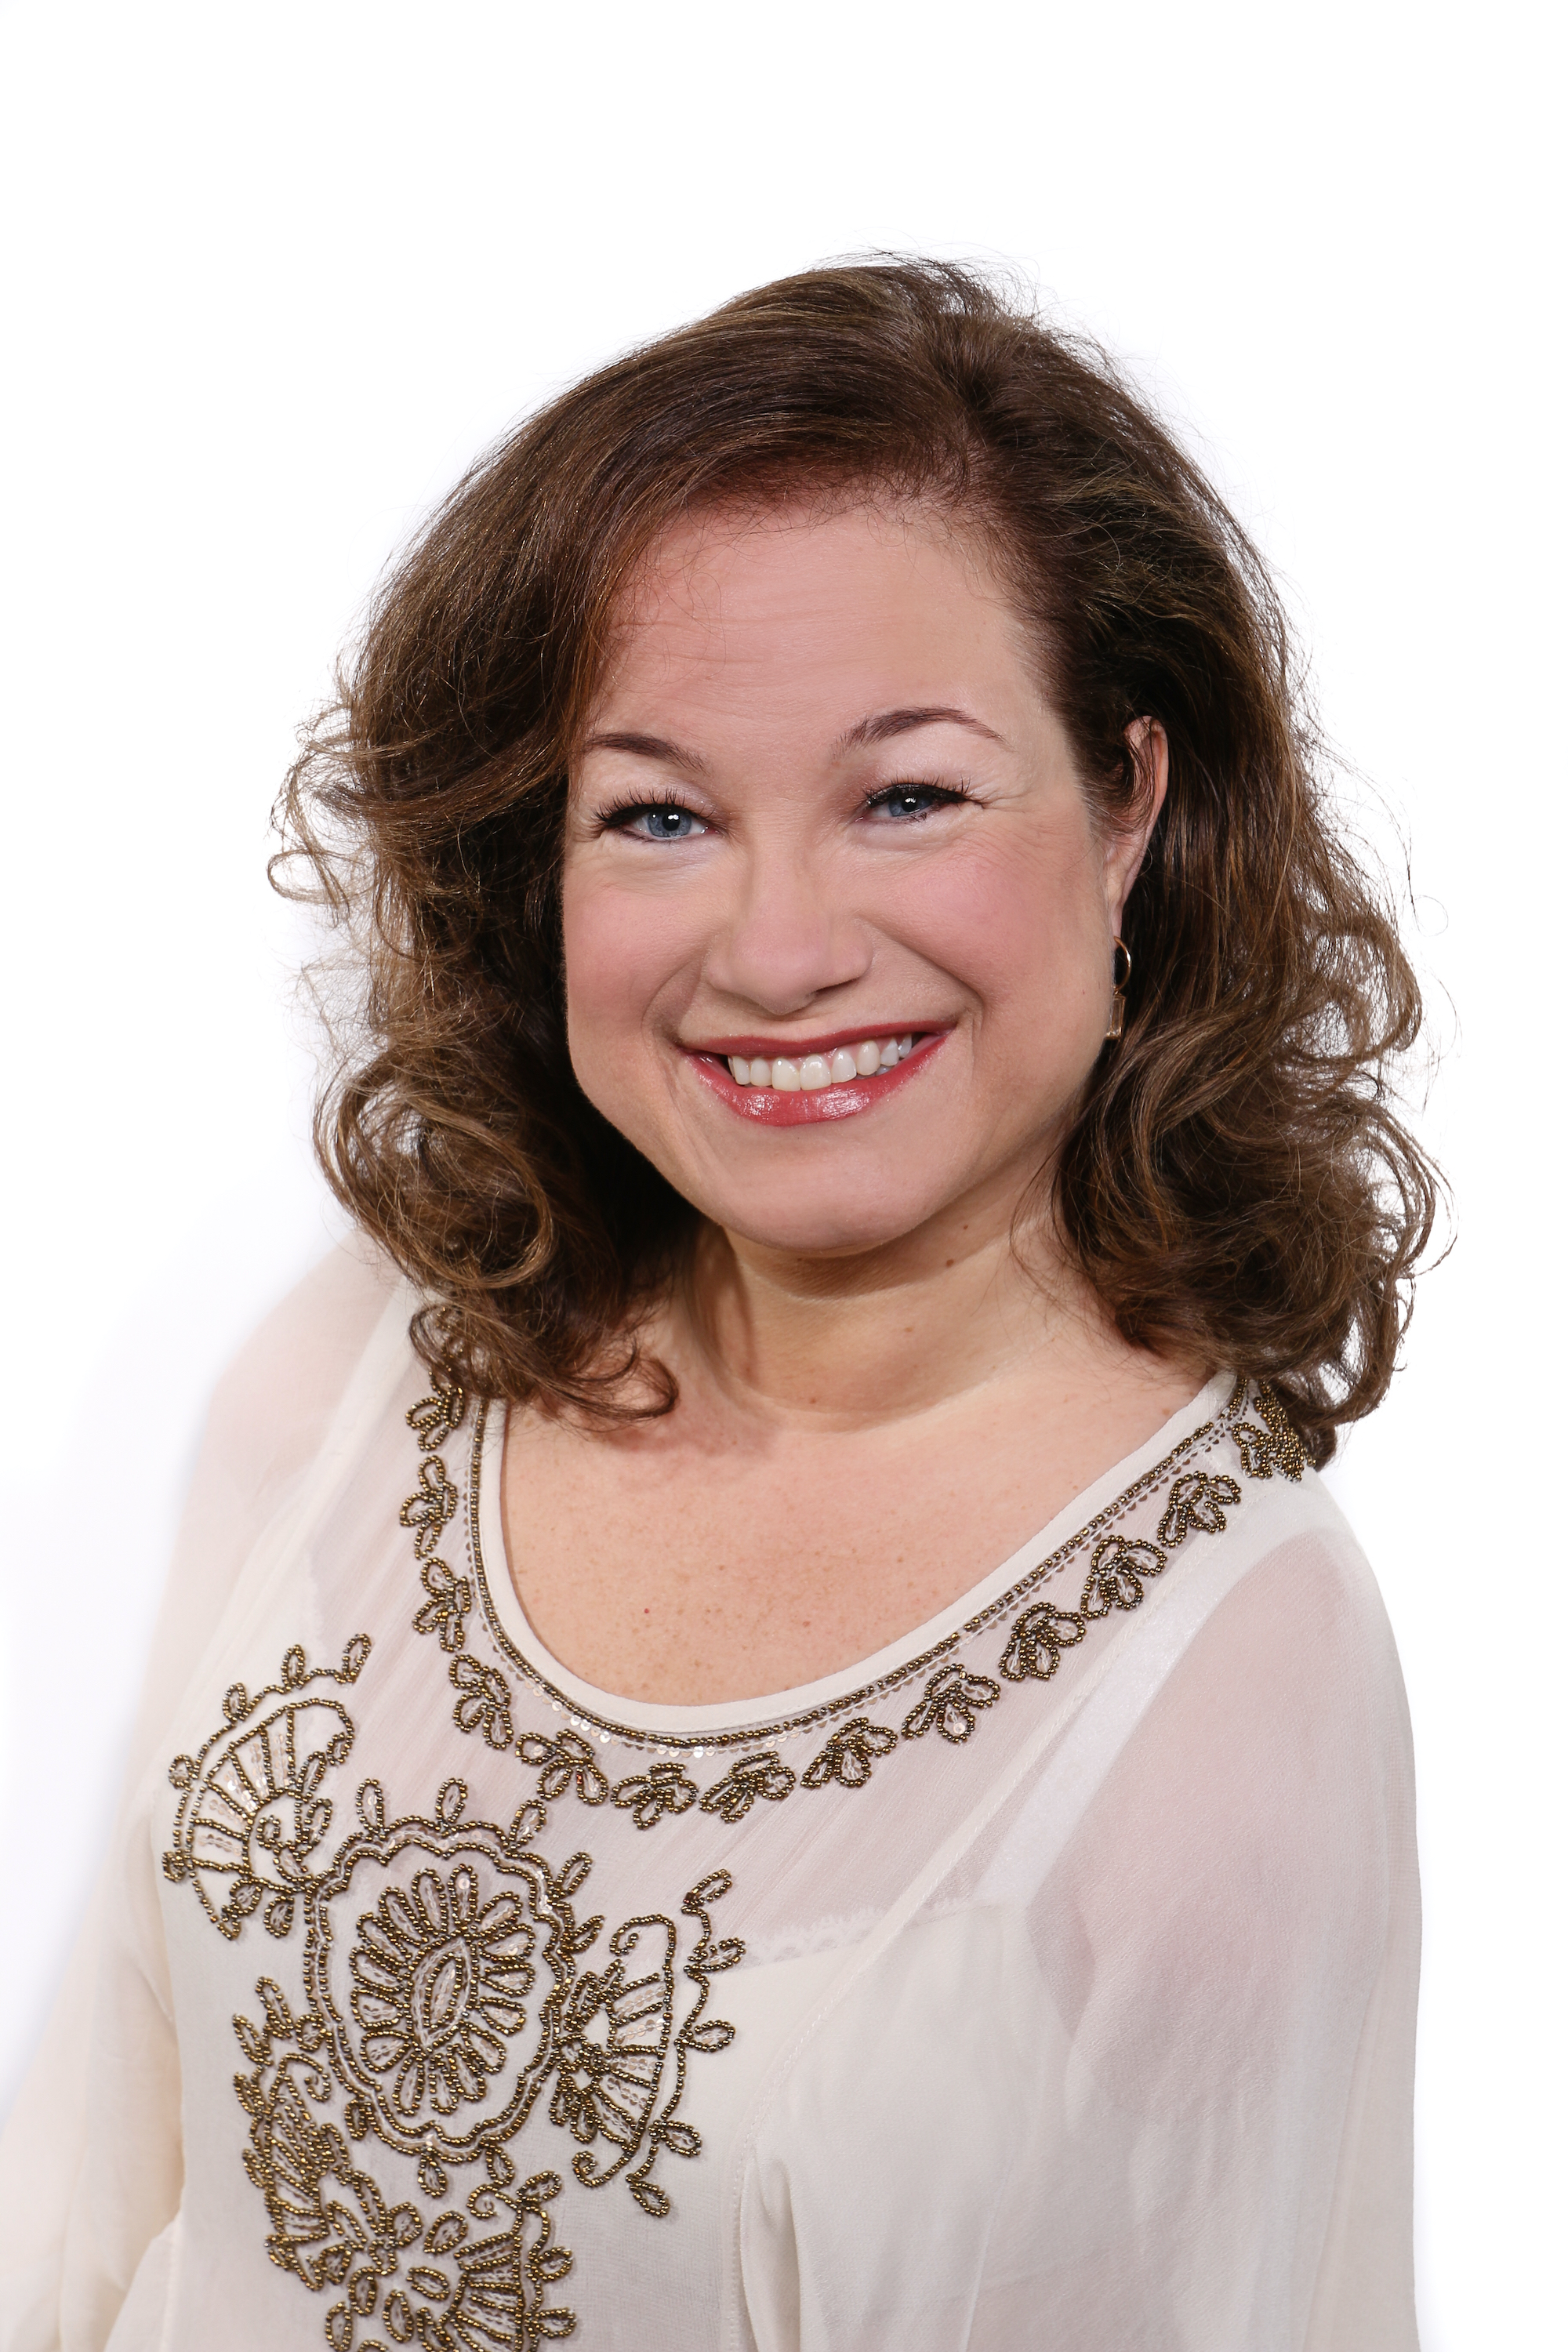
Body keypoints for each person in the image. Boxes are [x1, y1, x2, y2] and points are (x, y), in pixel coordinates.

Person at [0, 259, 1436, 2352]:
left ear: (1133, 804)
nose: (776, 953)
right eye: (657, 814)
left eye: (909, 795)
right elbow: (87, 2176)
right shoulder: (364, 1362)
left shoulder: (1226, 1684)